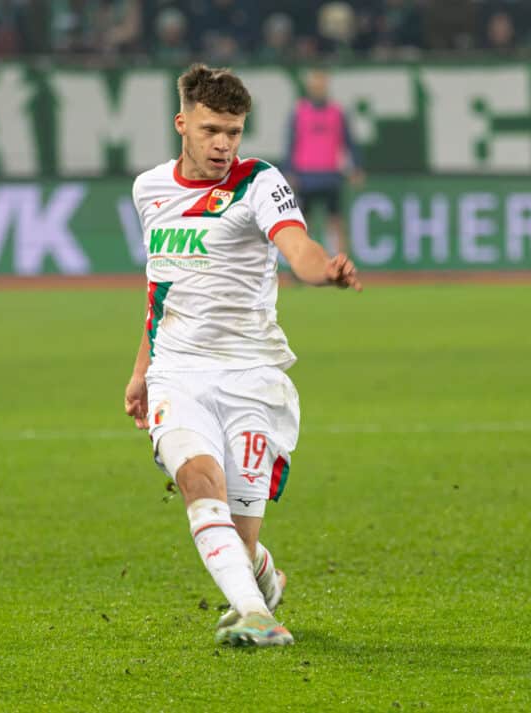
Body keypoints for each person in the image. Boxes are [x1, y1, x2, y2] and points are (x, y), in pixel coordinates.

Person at [123, 64, 362, 648]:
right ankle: (257, 616)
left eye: (233, 131)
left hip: (253, 376)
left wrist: (322, 270)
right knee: (199, 482)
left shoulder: (259, 182)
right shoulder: (149, 190)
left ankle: (257, 582)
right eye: (210, 130)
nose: (224, 144)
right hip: (178, 370)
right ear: (183, 124)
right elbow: (161, 289)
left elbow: (296, 246)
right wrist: (141, 373)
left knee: (240, 539)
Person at [285, 69, 363, 256]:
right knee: (304, 223)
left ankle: (340, 264)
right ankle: (304, 265)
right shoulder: (299, 112)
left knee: (335, 222)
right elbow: (290, 142)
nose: (318, 89)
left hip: (330, 174)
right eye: (315, 85)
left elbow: (349, 141)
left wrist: (356, 167)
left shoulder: (337, 112)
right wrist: (289, 170)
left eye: (321, 85)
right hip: (306, 174)